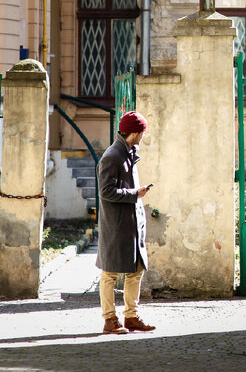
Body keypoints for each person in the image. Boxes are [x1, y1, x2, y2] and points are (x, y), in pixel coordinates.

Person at [97, 110, 157, 334]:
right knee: (110, 273)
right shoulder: (112, 156)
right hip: (116, 225)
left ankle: (131, 317)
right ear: (135, 133)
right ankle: (109, 320)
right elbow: (106, 191)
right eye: (142, 132)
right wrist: (135, 194)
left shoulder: (129, 153)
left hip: (132, 224)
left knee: (135, 270)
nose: (143, 136)